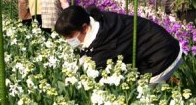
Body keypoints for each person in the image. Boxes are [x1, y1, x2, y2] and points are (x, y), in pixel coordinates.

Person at [55, 5, 183, 84]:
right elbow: (89, 50)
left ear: (84, 27)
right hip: (149, 49)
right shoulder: (97, 21)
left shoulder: (108, 42)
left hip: (163, 54)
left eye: (70, 37)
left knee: (145, 93)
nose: (69, 41)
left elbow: (95, 68)